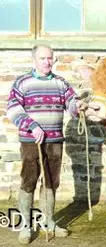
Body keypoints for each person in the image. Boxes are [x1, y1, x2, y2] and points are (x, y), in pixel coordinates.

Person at [6, 44, 84, 244]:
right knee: (29, 180)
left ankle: (48, 222)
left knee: (51, 182)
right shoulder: (22, 82)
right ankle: (26, 225)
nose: (47, 62)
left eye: (50, 58)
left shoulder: (60, 82)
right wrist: (32, 126)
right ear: (34, 60)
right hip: (31, 140)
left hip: (55, 140)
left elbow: (71, 104)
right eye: (42, 58)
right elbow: (13, 110)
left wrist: (79, 105)